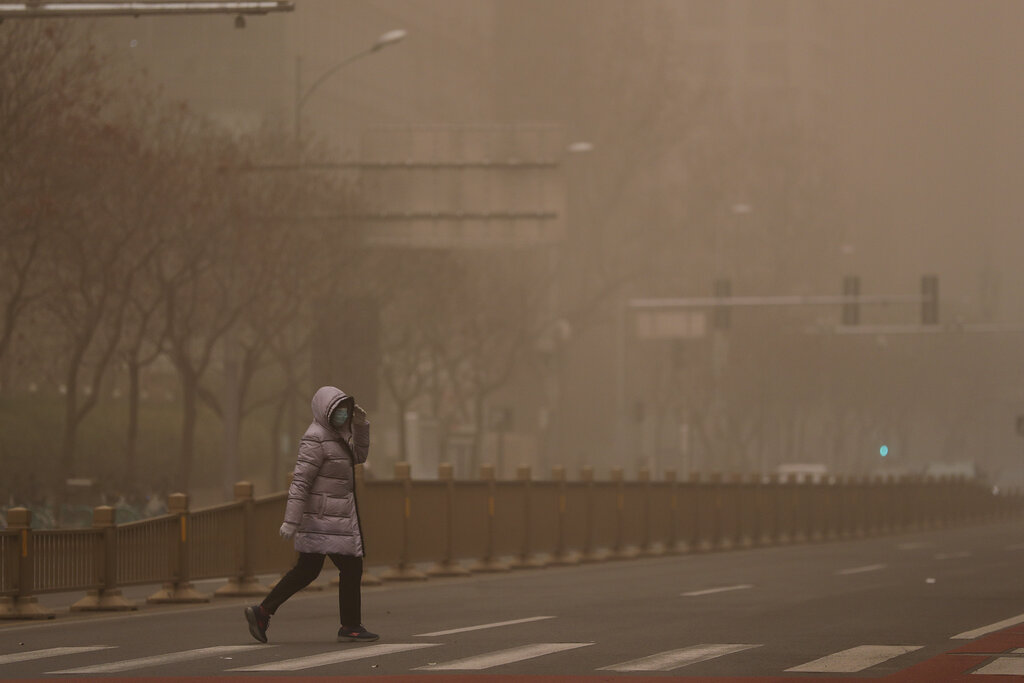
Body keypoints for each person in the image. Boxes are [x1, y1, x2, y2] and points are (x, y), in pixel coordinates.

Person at [246, 386, 377, 643]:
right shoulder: (315, 438)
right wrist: (291, 520)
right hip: (322, 518)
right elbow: (300, 483)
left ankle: (262, 612)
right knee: (350, 567)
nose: (342, 414)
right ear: (324, 410)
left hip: (335, 517)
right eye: (337, 410)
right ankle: (350, 625)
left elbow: (358, 457)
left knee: (307, 570)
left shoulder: (339, 434)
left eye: (345, 410)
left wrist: (361, 426)